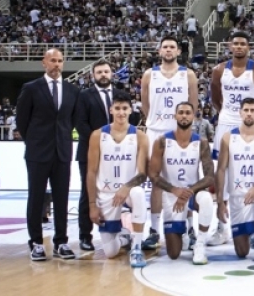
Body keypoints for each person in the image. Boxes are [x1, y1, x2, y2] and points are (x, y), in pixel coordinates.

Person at [15, 48, 79, 261]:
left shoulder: (72, 90)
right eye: (52, 60)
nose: (56, 64)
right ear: (44, 62)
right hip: (38, 152)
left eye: (60, 61)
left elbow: (71, 120)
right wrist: (34, 141)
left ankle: (61, 242)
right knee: (36, 198)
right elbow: (22, 120)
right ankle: (36, 242)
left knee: (62, 198)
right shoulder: (31, 88)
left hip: (62, 151)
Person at [210, 31, 254, 245]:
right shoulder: (219, 70)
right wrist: (227, 114)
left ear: (248, 47)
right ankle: (222, 227)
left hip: (251, 123)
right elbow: (215, 98)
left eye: (242, 44)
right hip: (226, 123)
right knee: (222, 172)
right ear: (230, 46)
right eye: (235, 43)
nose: (238, 47)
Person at [140, 36, 199, 250]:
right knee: (156, 181)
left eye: (172, 47)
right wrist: (157, 121)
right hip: (155, 131)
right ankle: (154, 230)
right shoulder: (149, 74)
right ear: (159, 51)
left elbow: (193, 104)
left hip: (179, 132)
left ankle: (191, 229)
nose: (168, 50)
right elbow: (145, 105)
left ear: (178, 51)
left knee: (187, 180)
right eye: (165, 47)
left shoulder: (188, 74)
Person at [85, 91, 149, 268]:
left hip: (128, 191)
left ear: (130, 110)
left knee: (138, 193)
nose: (121, 112)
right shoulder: (97, 135)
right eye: (118, 108)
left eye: (125, 108)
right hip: (106, 194)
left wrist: (126, 187)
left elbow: (142, 174)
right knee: (110, 252)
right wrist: (92, 205)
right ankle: (125, 237)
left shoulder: (140, 136)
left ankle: (137, 248)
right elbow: (91, 172)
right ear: (111, 110)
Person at [148, 102, 215, 264]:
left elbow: (210, 177)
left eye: (187, 113)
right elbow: (153, 175)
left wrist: (188, 191)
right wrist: (174, 190)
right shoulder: (162, 141)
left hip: (192, 194)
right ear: (175, 116)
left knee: (206, 199)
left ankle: (200, 244)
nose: (184, 116)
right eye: (181, 112)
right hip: (172, 195)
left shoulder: (201, 142)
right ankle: (183, 231)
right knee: (174, 254)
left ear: (193, 116)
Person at [215, 98, 254, 265]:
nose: (249, 113)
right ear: (240, 113)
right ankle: (251, 232)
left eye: (252, 110)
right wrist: (220, 202)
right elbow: (220, 170)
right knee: (242, 252)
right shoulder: (228, 137)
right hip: (238, 196)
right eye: (246, 110)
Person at [75, 60, 120, 251]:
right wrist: (101, 142)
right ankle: (85, 236)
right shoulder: (84, 95)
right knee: (88, 192)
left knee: (118, 190)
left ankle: (120, 232)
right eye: (99, 72)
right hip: (89, 151)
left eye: (106, 71)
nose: (103, 75)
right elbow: (80, 123)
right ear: (93, 75)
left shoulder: (120, 95)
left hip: (117, 153)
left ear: (111, 73)